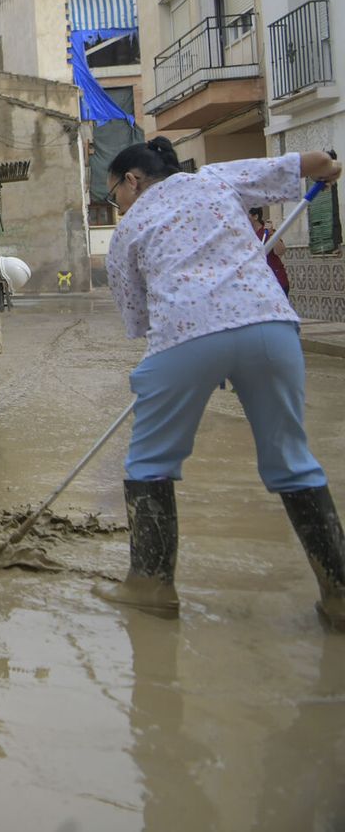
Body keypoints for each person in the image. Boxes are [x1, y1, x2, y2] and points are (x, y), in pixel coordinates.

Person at [96, 137, 344, 629]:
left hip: (187, 333)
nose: (117, 206)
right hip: (269, 326)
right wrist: (328, 168)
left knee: (150, 461)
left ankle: (151, 585)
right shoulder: (214, 178)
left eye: (114, 196)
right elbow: (302, 166)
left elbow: (137, 320)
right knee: (293, 461)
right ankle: (339, 594)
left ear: (133, 180)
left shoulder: (126, 234)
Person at [250, 207, 291, 295]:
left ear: (255, 217)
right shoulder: (248, 236)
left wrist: (271, 233)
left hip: (276, 281)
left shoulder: (266, 232)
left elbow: (280, 251)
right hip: (259, 283)